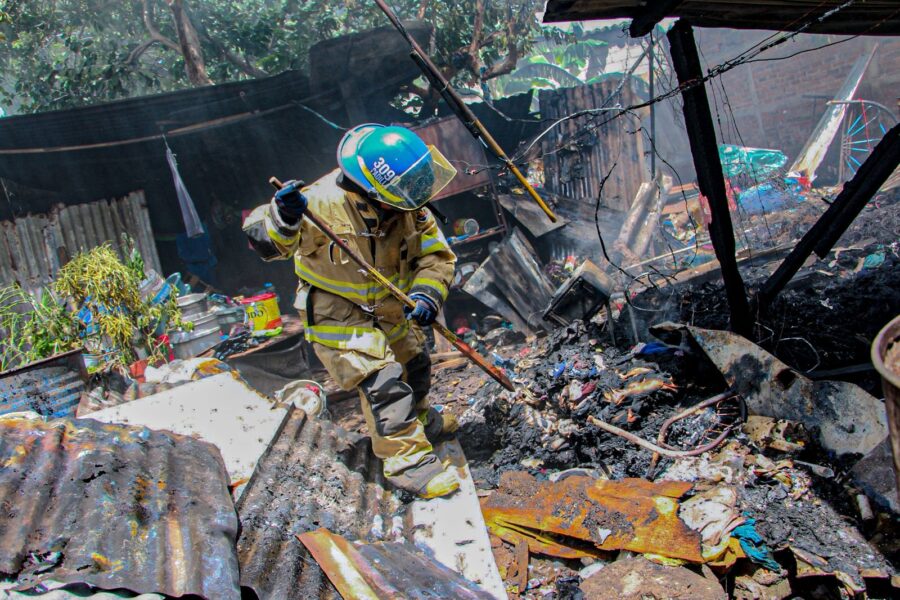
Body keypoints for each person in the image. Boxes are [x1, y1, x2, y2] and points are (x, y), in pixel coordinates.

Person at [243, 123, 460, 499]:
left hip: (389, 308)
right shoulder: (319, 204)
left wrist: (426, 295)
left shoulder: (406, 204)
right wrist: (284, 217)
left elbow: (436, 256)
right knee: (383, 381)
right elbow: (268, 241)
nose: (411, 202)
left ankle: (422, 422)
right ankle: (407, 464)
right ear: (372, 188)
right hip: (336, 312)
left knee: (416, 363)